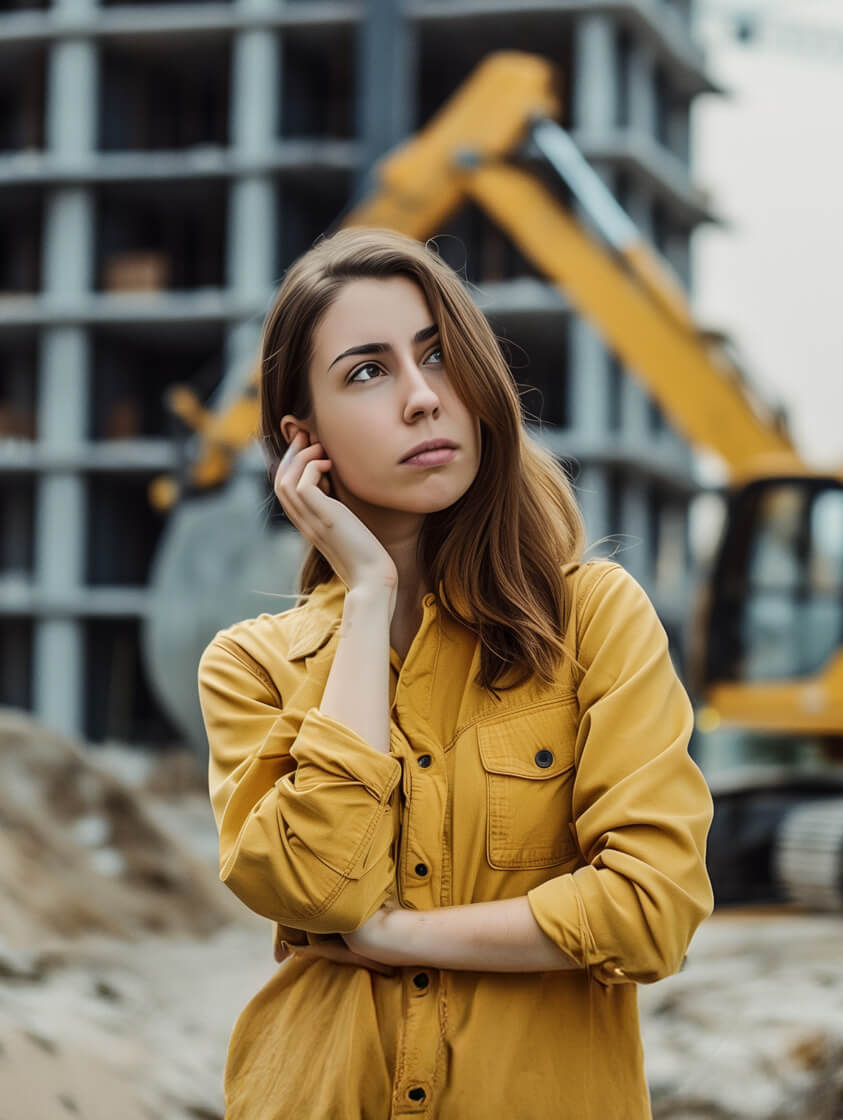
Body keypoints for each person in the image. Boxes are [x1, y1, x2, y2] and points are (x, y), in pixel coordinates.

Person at [198, 227, 714, 1117]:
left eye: (439, 357)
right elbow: (317, 886)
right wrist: (366, 594)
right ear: (302, 440)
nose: (423, 399)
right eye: (368, 372)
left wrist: (396, 936)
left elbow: (652, 908)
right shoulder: (251, 667)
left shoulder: (593, 621)